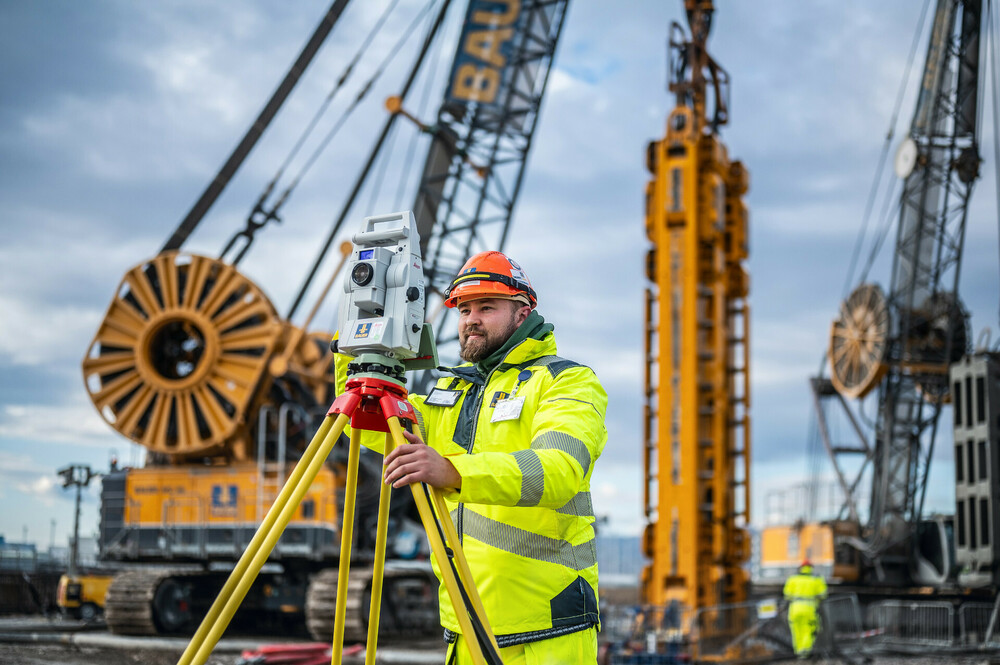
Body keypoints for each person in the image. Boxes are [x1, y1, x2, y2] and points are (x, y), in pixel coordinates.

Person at [341, 250, 608, 664]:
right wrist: (358, 347)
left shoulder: (566, 381)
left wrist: (451, 470)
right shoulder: (450, 392)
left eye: (487, 306)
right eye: (464, 309)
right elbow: (367, 424)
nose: (471, 319)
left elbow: (558, 471)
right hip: (465, 629)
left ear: (522, 313)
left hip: (547, 633)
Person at [783, 560, 828, 657]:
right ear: (810, 568)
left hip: (794, 609)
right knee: (808, 630)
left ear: (800, 568)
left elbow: (787, 595)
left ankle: (799, 652)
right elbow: (823, 594)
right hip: (809, 609)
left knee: (796, 631)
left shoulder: (793, 579)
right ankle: (806, 651)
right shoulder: (816, 579)